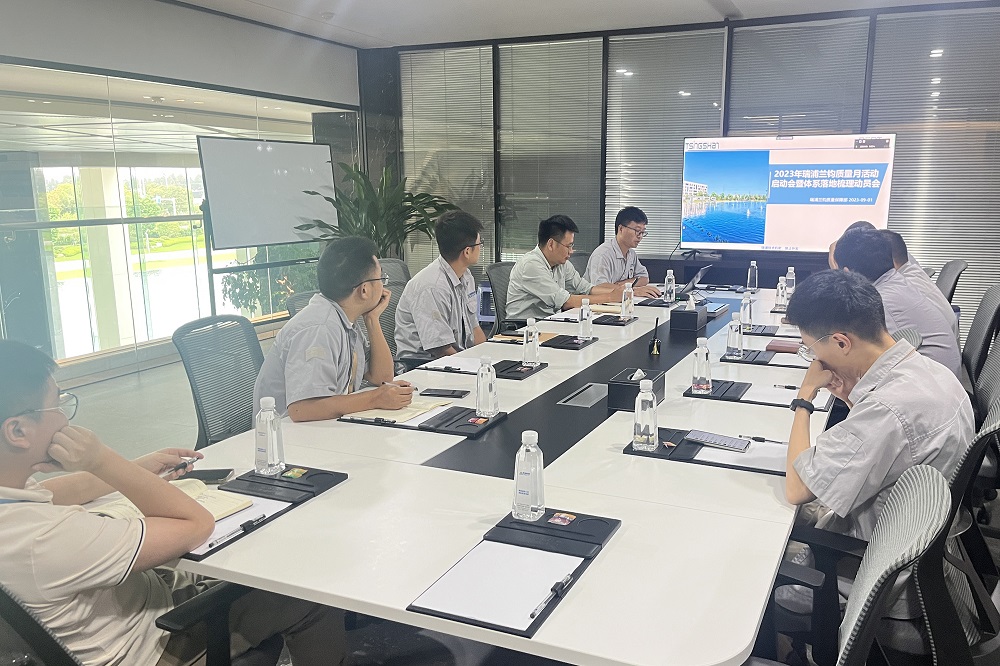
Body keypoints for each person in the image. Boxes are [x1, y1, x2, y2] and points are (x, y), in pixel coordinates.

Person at [0, 340, 346, 665]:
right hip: (155, 642)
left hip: (138, 597)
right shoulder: (43, 539)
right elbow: (196, 525)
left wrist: (135, 469)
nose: (65, 418)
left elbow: (52, 492)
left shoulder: (11, 496)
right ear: (18, 431)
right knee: (309, 593)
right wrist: (100, 459)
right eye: (57, 404)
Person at [782, 270, 972, 617]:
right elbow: (892, 443)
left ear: (841, 343)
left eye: (811, 349)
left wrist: (805, 397)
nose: (813, 359)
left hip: (858, 572)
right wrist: (850, 397)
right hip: (908, 548)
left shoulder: (887, 409)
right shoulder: (930, 372)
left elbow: (798, 489)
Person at [254, 236, 413, 422]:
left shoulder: (344, 318)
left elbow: (382, 377)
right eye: (381, 279)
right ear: (364, 290)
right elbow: (302, 409)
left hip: (325, 428)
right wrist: (375, 398)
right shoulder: (319, 328)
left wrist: (372, 320)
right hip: (288, 434)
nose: (383, 286)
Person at [833, 229, 961, 377]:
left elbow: (853, 360)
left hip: (930, 384)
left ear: (847, 273)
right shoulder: (900, 284)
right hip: (941, 380)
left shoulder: (880, 303)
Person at [395, 211, 487, 367]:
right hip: (425, 367)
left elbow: (474, 328)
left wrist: (487, 361)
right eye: (480, 243)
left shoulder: (466, 276)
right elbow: (441, 349)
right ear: (467, 251)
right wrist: (472, 367)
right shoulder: (432, 287)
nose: (481, 247)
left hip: (457, 360)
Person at [506, 215, 626, 321]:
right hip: (525, 329)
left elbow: (585, 288)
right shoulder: (531, 265)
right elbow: (566, 302)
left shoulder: (561, 263)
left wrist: (622, 293)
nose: (571, 251)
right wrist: (610, 297)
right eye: (568, 246)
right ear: (551, 244)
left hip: (551, 322)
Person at [881, 228, 959, 340]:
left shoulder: (903, 287)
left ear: (889, 259)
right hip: (946, 344)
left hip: (935, 348)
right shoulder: (913, 273)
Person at [583, 207, 661, 298]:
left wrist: (623, 284)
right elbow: (599, 287)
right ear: (621, 229)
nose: (640, 236)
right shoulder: (602, 255)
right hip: (596, 303)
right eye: (637, 231)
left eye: (642, 232)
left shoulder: (631, 253)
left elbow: (644, 278)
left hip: (619, 301)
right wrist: (631, 290)